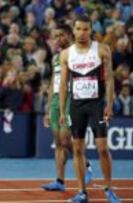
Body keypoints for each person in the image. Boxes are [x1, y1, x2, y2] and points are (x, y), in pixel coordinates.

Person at [59, 15, 121, 203]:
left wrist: (109, 104)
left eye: (86, 29)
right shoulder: (66, 54)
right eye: (78, 29)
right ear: (73, 30)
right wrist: (62, 111)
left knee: (102, 148)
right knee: (77, 149)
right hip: (77, 106)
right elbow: (63, 84)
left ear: (91, 30)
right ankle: (82, 192)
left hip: (96, 105)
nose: (82, 33)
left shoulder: (102, 50)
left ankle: (109, 188)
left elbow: (109, 79)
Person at [41, 24, 93, 192]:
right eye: (55, 36)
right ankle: (59, 181)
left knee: (65, 140)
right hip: (56, 101)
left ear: (70, 36)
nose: (58, 39)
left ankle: (85, 164)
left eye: (61, 35)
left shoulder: (77, 54)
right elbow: (51, 84)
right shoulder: (56, 57)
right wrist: (48, 109)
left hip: (71, 99)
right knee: (58, 143)